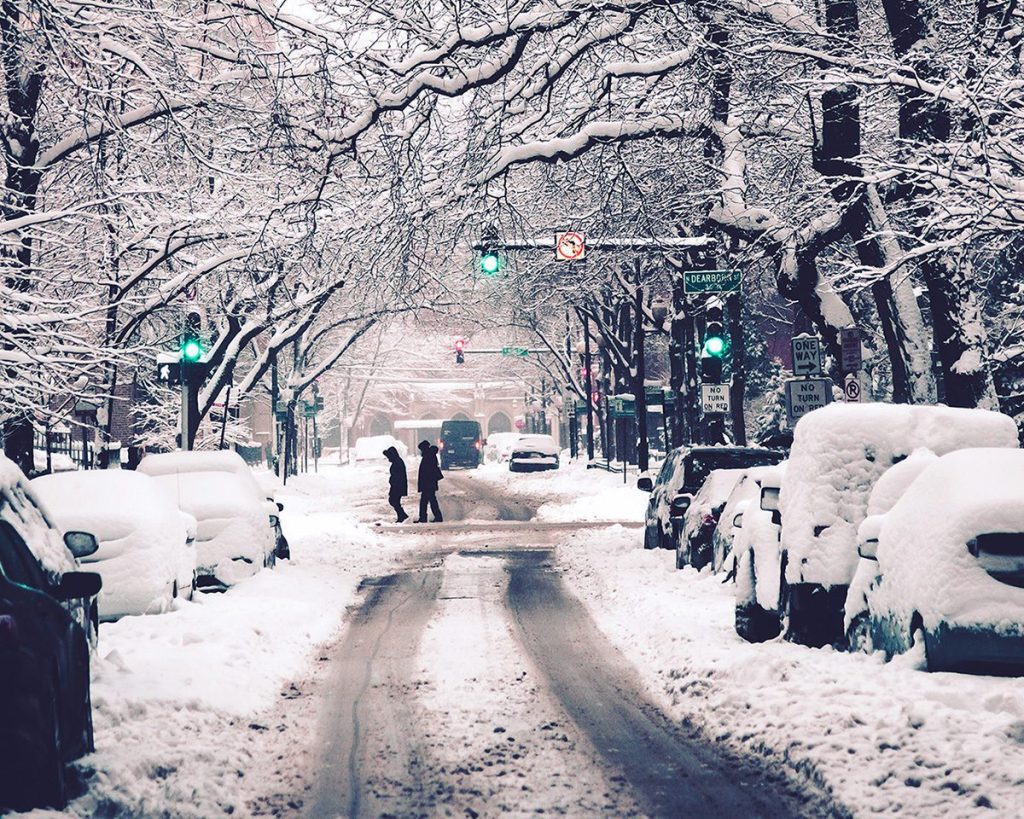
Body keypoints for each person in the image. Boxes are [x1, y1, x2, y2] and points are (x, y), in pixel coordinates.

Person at [416, 440, 444, 523]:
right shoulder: (430, 455)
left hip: (428, 483)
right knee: (430, 500)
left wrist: (424, 483)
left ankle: (425, 517)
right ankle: (436, 516)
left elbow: (427, 471)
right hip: (430, 483)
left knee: (426, 501)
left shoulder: (428, 456)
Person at [383, 446, 409, 523]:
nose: (388, 459)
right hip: (397, 485)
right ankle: (402, 515)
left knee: (393, 500)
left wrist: (393, 483)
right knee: (394, 501)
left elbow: (397, 476)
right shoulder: (397, 461)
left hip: (397, 486)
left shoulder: (397, 462)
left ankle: (402, 516)